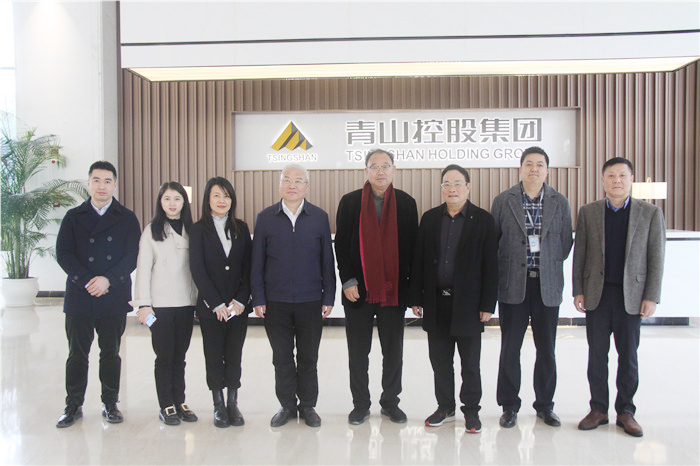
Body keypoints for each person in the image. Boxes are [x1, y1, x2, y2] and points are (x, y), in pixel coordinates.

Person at [573, 157, 665, 438]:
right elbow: (580, 254)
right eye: (611, 176)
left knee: (628, 357)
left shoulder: (650, 213)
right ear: (603, 180)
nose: (617, 181)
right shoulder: (588, 212)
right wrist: (578, 290)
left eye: (622, 175)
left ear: (631, 179)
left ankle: (626, 411)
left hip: (632, 298)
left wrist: (651, 296)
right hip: (598, 296)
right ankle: (598, 409)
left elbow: (656, 257)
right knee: (596, 357)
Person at [410, 165, 497, 433]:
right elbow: (419, 260)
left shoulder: (483, 220)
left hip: (469, 305)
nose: (452, 189)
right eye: (446, 184)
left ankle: (471, 411)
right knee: (440, 362)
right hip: (436, 303)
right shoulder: (430, 219)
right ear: (441, 189)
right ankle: (445, 407)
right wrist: (416, 297)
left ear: (468, 187)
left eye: (458, 183)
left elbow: (491, 265)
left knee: (470, 364)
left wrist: (487, 304)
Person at [491, 146, 573, 428]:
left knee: (546, 349)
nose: (534, 169)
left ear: (547, 170)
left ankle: (545, 406)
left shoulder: (560, 202)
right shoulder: (504, 200)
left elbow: (565, 244)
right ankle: (509, 406)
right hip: (514, 284)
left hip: (546, 286)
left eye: (539, 164)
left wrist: (547, 263)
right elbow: (494, 242)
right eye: (528, 164)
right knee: (510, 349)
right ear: (521, 168)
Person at [335, 149, 418, 425]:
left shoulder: (406, 203)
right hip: (358, 291)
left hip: (394, 291)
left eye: (385, 166)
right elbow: (341, 246)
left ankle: (390, 402)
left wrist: (411, 292)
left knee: (393, 351)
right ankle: (360, 405)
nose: (380, 171)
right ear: (366, 171)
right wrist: (347, 280)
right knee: (358, 352)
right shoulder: (350, 202)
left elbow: (412, 250)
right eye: (374, 166)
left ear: (394, 169)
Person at [55, 161, 141, 427]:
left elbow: (132, 255)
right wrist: (87, 281)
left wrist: (108, 280)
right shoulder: (73, 216)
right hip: (80, 295)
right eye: (96, 180)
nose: (101, 186)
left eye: (107, 181)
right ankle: (73, 405)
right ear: (88, 183)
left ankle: (110, 403)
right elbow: (63, 253)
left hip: (113, 295)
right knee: (77, 354)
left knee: (111, 352)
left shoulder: (127, 217)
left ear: (115, 185)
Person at [251, 164, 336, 428]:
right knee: (282, 358)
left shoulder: (319, 217)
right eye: (287, 180)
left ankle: (308, 405)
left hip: (310, 301)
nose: (292, 185)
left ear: (306, 187)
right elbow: (257, 262)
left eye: (299, 180)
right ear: (280, 185)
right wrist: (258, 297)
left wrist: (329, 296)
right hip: (275, 302)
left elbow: (327, 260)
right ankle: (287, 405)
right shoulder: (265, 218)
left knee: (309, 358)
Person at [130, 182, 198, 426]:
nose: (172, 203)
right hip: (159, 306)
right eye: (167, 198)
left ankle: (180, 401)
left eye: (177, 198)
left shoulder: (193, 229)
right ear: (160, 202)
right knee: (165, 356)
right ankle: (166, 404)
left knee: (180, 356)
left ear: (184, 202)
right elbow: (143, 269)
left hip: (186, 304)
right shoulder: (152, 230)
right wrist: (143, 305)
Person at [189, 177, 252, 428]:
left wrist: (240, 300)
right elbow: (198, 269)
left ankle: (233, 403)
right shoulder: (197, 230)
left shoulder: (241, 227)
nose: (222, 200)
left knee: (234, 355)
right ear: (208, 199)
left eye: (226, 196)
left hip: (237, 308)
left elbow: (248, 266)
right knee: (213, 355)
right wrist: (215, 303)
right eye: (217, 195)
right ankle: (218, 405)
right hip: (211, 308)